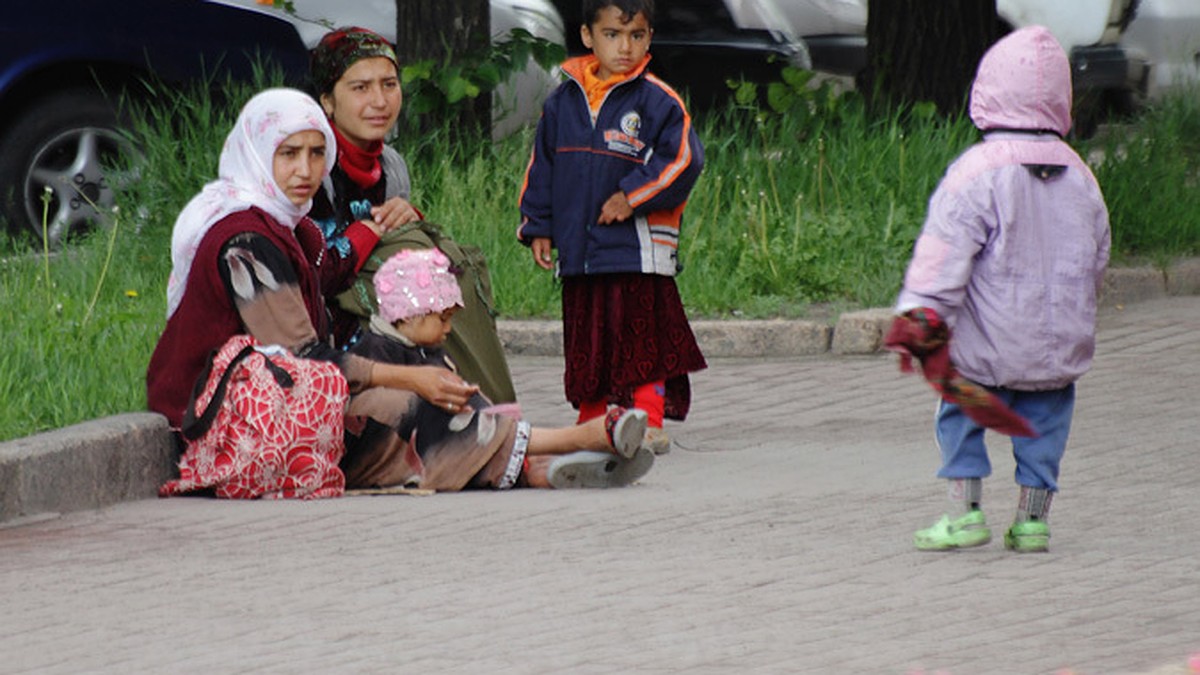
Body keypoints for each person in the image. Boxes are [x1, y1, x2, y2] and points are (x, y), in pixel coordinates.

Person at [146, 88, 648, 494]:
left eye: (317, 153)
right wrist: (407, 383)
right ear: (257, 155)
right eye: (288, 154)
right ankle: (563, 446)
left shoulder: (289, 224)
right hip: (227, 415)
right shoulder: (245, 240)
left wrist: (409, 365)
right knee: (400, 406)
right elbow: (303, 359)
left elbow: (325, 291)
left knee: (419, 363)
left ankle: (527, 462)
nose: (304, 171)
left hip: (286, 387)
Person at [888, 26, 1111, 553]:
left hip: (983, 348)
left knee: (960, 416)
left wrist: (921, 313)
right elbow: (1097, 256)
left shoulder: (977, 172)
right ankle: (1032, 520)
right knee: (1045, 429)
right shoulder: (1081, 176)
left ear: (987, 91)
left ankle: (964, 514)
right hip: (1056, 348)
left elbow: (943, 255)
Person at [517, 0, 706, 455]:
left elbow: (684, 160)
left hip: (637, 250)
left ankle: (649, 419)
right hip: (579, 247)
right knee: (589, 337)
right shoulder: (561, 103)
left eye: (637, 36)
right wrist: (539, 226)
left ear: (649, 38)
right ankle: (594, 423)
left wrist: (632, 196)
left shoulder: (659, 101)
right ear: (587, 36)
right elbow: (541, 168)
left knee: (640, 335)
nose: (625, 47)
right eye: (613, 35)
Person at [308, 26, 516, 404]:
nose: (379, 100)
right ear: (327, 101)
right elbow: (312, 272)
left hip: (385, 311)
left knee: (450, 268)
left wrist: (408, 214)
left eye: (389, 84)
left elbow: (399, 245)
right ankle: (487, 423)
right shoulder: (313, 164)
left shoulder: (391, 165)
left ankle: (496, 417)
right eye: (360, 88)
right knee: (425, 283)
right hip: (330, 331)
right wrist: (369, 231)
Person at [350, 247, 655, 489]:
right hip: (421, 451)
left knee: (504, 446)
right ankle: (581, 441)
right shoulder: (377, 352)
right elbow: (394, 412)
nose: (448, 328)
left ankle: (554, 470)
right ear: (407, 317)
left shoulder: (430, 351)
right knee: (487, 440)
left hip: (451, 443)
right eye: (442, 319)